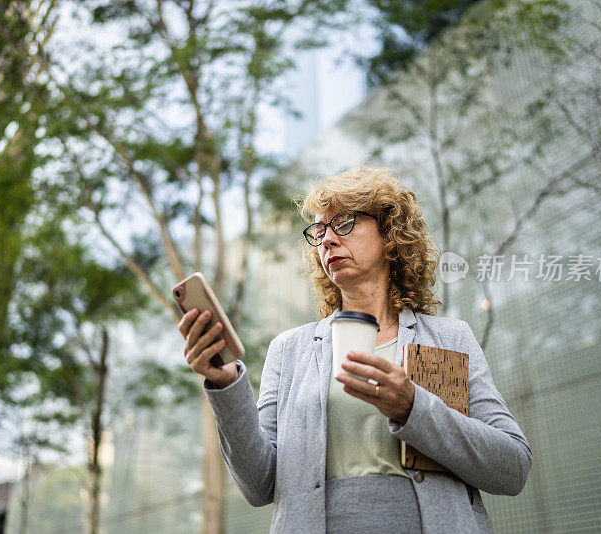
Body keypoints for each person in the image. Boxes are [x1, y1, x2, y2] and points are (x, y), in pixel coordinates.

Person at [178, 166, 532, 533]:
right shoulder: (290, 350)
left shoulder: (449, 338)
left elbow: (513, 469)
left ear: (389, 233)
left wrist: (413, 407)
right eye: (320, 230)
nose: (327, 239)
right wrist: (226, 385)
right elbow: (258, 484)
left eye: (344, 223)